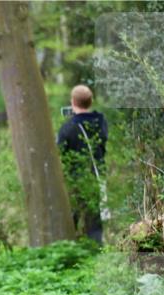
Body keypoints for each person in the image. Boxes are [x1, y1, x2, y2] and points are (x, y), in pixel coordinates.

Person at [57, 84, 108, 244]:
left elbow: (60, 154)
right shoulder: (101, 122)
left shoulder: (68, 127)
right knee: (94, 219)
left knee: (72, 218)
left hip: (75, 179)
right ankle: (97, 249)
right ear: (91, 101)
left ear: (72, 101)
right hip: (96, 175)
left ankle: (71, 249)